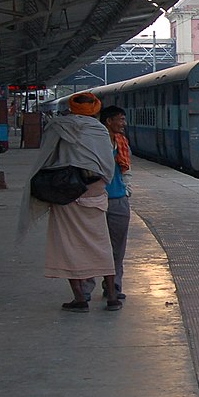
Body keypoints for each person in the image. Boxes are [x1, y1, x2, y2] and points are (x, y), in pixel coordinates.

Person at [17, 92, 120, 312]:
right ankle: (112, 296)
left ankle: (80, 299)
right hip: (95, 193)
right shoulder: (100, 130)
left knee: (66, 245)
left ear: (72, 108)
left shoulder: (58, 127)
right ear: (95, 109)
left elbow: (46, 159)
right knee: (101, 245)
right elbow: (107, 165)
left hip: (66, 194)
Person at [82, 105, 131, 303]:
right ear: (109, 121)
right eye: (120, 119)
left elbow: (126, 169)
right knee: (91, 245)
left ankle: (114, 286)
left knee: (117, 248)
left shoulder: (122, 142)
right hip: (94, 198)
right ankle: (86, 288)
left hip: (118, 199)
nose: (123, 124)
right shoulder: (94, 142)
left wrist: (127, 190)